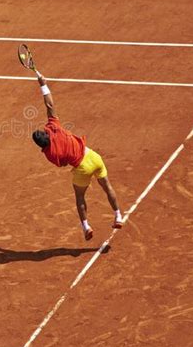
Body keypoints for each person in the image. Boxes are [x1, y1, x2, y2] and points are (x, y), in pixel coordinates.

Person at [31, 73, 124, 241]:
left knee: (80, 197)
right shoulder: (54, 127)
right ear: (46, 133)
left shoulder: (50, 154)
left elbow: (63, 164)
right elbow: (49, 104)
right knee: (107, 186)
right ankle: (118, 215)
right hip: (93, 157)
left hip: (81, 169)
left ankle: (86, 226)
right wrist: (43, 84)